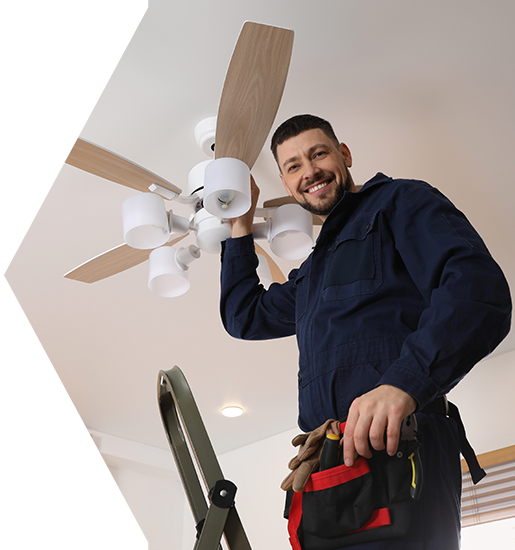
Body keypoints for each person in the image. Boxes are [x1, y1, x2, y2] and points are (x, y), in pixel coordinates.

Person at [219, 114, 512, 549]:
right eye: (294, 166)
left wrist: (403, 384)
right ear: (285, 182)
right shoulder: (313, 272)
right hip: (327, 463)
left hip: (399, 449)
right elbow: (244, 315)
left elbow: (477, 293)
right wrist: (239, 227)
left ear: (345, 154)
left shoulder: (400, 201)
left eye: (318, 153)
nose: (310, 171)